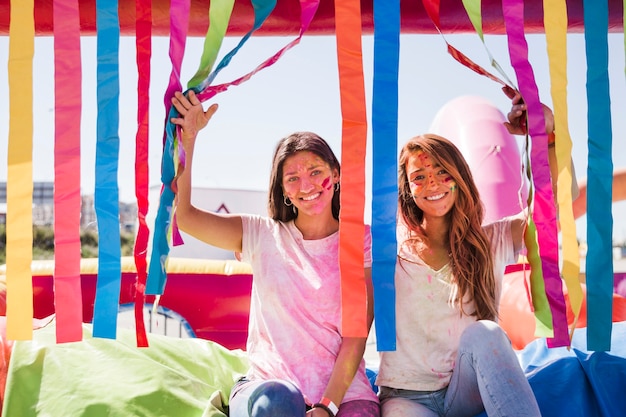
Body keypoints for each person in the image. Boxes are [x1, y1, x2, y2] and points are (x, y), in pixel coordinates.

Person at [169, 89, 380, 417]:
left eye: (315, 171)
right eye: (292, 178)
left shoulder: (360, 239)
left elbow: (357, 335)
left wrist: (327, 406)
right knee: (279, 401)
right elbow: (185, 218)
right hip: (269, 387)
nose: (306, 185)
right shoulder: (260, 234)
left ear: (335, 175)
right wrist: (189, 140)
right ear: (282, 190)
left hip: (343, 394)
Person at [375, 88, 556, 417]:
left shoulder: (492, 240)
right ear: (408, 190)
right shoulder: (392, 253)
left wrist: (546, 136)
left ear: (459, 176)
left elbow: (550, 209)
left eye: (442, 172)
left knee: (485, 332)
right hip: (406, 397)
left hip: (465, 388)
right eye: (419, 177)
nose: (432, 184)